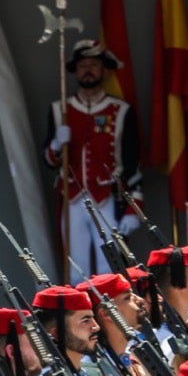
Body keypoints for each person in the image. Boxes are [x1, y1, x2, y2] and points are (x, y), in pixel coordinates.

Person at [43, 38, 142, 276]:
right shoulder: (60, 110)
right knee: (75, 268)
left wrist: (134, 206)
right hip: (72, 197)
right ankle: (81, 313)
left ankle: (111, 312)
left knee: (110, 266)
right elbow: (49, 160)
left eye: (93, 65)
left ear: (104, 69)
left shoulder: (121, 111)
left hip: (108, 197)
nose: (87, 70)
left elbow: (133, 162)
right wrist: (56, 144)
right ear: (75, 71)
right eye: (82, 65)